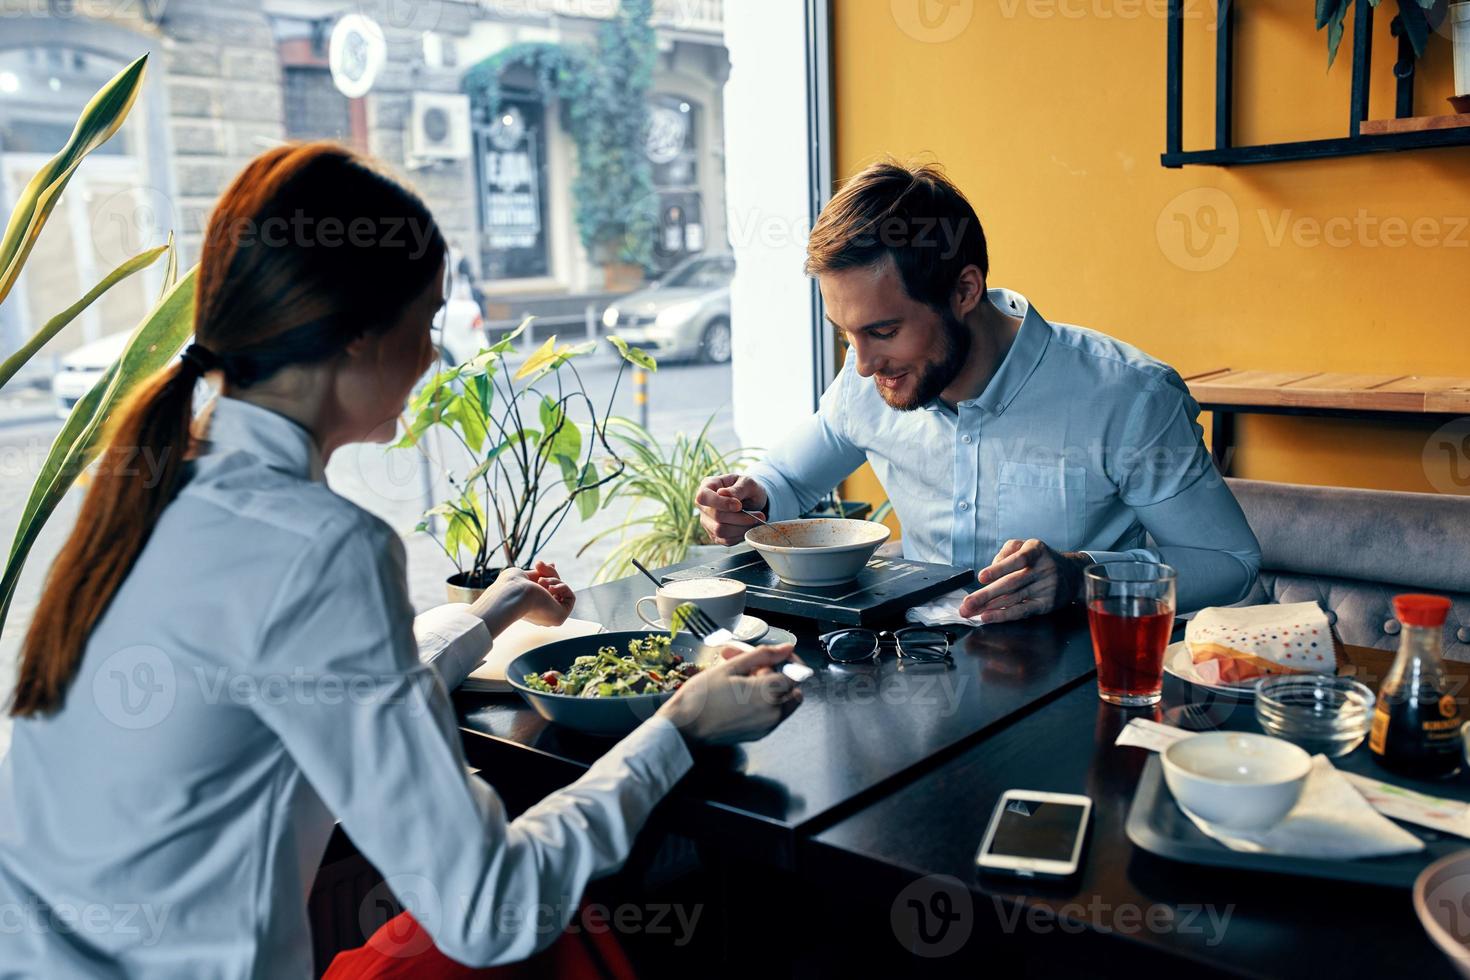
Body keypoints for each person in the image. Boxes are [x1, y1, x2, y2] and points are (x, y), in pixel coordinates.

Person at [0, 142, 801, 978]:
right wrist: (678, 728)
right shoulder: (317, 543)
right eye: (426, 322)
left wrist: (486, 613)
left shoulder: (165, 487)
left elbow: (308, 680)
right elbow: (488, 908)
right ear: (356, 336)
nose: (430, 356)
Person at [697, 160, 1260, 618]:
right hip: (914, 678)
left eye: (883, 331)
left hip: (1069, 692)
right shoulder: (869, 377)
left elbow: (1228, 562)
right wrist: (752, 500)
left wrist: (1080, 577)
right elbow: (790, 477)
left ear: (965, 290)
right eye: (846, 335)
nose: (864, 365)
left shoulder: (1129, 396)